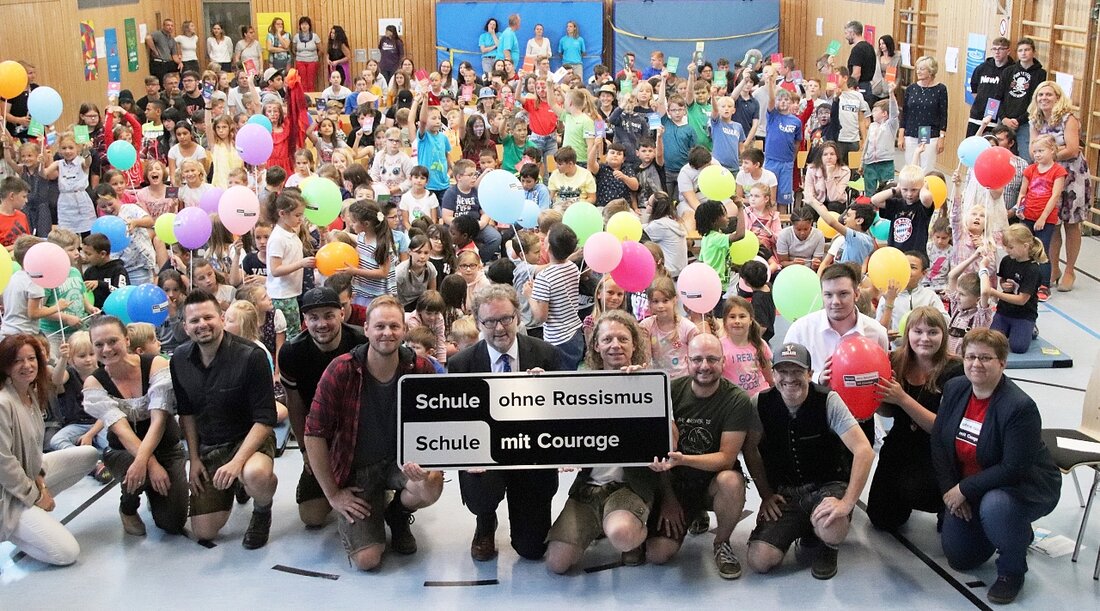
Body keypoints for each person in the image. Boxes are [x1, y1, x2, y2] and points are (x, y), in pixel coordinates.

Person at [304, 296, 444, 571]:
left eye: (394, 326)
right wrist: (333, 494)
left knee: (431, 485)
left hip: (400, 462)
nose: (387, 333)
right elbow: (313, 434)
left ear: (404, 330)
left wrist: (429, 462)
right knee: (368, 560)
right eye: (379, 326)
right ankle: (373, 512)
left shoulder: (420, 368)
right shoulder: (341, 370)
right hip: (357, 471)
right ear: (365, 328)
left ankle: (398, 514)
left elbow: (438, 421)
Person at [931, 328, 1061, 604]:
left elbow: (1014, 467)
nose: (976, 364)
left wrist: (964, 488)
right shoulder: (955, 389)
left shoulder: (1019, 407)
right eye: (971, 357)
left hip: (1021, 486)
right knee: (960, 558)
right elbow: (940, 443)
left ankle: (1012, 570)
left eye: (986, 358)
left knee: (996, 506)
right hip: (972, 488)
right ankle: (1011, 532)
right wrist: (949, 490)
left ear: (1002, 362)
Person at [446, 285, 561, 561]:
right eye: (489, 321)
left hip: (532, 457)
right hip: (486, 456)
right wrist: (466, 456)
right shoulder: (461, 363)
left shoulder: (547, 355)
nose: (499, 328)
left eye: (505, 319)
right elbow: (455, 421)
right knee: (481, 490)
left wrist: (544, 392)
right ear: (478, 323)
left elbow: (563, 414)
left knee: (532, 549)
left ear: (518, 317)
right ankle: (485, 521)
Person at [742, 342, 875, 580]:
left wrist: (847, 502)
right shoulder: (759, 403)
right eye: (783, 371)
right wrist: (765, 494)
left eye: (797, 371)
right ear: (773, 374)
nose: (789, 378)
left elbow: (864, 451)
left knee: (831, 528)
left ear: (810, 374)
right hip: (786, 492)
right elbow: (750, 449)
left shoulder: (828, 400)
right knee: (759, 560)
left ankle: (828, 545)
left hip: (827, 485)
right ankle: (804, 527)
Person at [545, 311, 657, 573]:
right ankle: (600, 522)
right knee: (556, 563)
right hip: (589, 487)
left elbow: (669, 439)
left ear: (634, 345)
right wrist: (540, 385)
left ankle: (635, 534)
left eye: (622, 339)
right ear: (596, 345)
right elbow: (557, 430)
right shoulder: (582, 385)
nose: (615, 345)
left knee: (622, 533)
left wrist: (642, 391)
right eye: (607, 339)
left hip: (629, 486)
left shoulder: (651, 383)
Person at [171, 290, 279, 548]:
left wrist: (237, 462)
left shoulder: (251, 356)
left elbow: (265, 419)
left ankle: (262, 509)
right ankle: (236, 485)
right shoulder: (178, 360)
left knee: (255, 474)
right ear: (185, 327)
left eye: (208, 317)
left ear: (221, 318)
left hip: (249, 440)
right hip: (210, 445)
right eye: (194, 321)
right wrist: (194, 459)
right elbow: (186, 413)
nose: (202, 325)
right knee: (204, 532)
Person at [646, 334, 756, 579]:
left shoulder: (737, 400)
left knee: (731, 480)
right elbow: (659, 456)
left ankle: (722, 543)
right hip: (677, 483)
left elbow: (727, 458)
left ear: (723, 361)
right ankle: (692, 513)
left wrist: (683, 459)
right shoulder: (670, 392)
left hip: (713, 482)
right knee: (657, 554)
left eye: (711, 359)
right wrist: (668, 499)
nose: (704, 366)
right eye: (697, 359)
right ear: (687, 361)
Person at [82, 317, 188, 537]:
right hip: (123, 452)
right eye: (99, 344)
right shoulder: (95, 382)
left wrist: (150, 462)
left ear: (127, 340)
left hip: (167, 447)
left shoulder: (156, 364)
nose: (107, 349)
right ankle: (128, 507)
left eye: (113, 341)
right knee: (137, 469)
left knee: (173, 523)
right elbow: (122, 430)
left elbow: (159, 420)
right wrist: (148, 464)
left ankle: (154, 492)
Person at [1, 334, 98, 566]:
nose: (27, 365)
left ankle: (31, 518)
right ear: (5, 366)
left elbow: (32, 450)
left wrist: (40, 483)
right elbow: (4, 464)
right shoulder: (4, 402)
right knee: (67, 553)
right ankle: (15, 528)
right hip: (6, 496)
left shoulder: (30, 392)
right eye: (17, 361)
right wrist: (36, 496)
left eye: (31, 358)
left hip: (29, 475)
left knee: (89, 455)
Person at [866, 307, 964, 531]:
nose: (924, 338)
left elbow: (942, 429)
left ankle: (946, 507)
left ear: (944, 335)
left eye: (932, 332)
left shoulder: (955, 371)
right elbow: (889, 412)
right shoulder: (896, 360)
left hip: (935, 450)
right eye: (918, 331)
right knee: (881, 519)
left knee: (917, 489)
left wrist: (902, 398)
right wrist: (875, 400)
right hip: (900, 443)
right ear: (907, 332)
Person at [278, 287, 366, 527]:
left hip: (358, 434)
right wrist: (307, 452)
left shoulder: (363, 342)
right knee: (312, 517)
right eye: (313, 317)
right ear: (304, 320)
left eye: (328, 315)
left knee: (371, 501)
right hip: (319, 437)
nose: (321, 323)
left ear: (341, 313)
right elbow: (294, 405)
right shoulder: (291, 353)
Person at [784, 263, 888, 439]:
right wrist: (816, 379)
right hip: (814, 416)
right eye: (828, 295)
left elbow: (880, 377)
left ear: (856, 294)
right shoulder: (800, 330)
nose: (835, 302)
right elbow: (783, 377)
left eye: (843, 294)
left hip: (860, 421)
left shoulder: (876, 333)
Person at [1029, 80, 1090, 293]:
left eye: (1049, 94)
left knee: (1071, 223)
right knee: (1053, 223)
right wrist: (1047, 153)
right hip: (1047, 176)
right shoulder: (1035, 120)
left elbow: (1073, 149)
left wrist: (1048, 154)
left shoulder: (1068, 119)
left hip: (1071, 175)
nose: (1044, 98)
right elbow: (1032, 150)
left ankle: (1070, 270)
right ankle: (1053, 267)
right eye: (1040, 95)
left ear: (1057, 97)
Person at [996, 38, 1046, 163]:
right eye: (1020, 50)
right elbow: (997, 97)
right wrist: (1004, 118)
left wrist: (1019, 120)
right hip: (1005, 120)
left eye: (1027, 50)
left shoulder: (1040, 74)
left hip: (1025, 122)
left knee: (1026, 157)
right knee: (999, 155)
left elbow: (1036, 102)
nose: (1023, 53)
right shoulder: (1008, 71)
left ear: (1033, 52)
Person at [898, 56, 948, 172]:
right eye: (917, 69)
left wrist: (942, 138)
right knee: (911, 167)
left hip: (929, 133)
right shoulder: (911, 88)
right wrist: (901, 135)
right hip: (911, 132)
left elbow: (943, 115)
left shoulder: (940, 89)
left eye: (922, 69)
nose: (918, 71)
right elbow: (905, 113)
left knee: (926, 169)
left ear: (931, 71)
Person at [968, 38, 1013, 137]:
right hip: (977, 115)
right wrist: (982, 102)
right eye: (994, 49)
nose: (997, 52)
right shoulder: (981, 68)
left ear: (1008, 51)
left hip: (997, 118)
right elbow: (974, 89)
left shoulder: (1011, 70)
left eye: (1001, 49)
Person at [844, 21, 877, 105]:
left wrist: (849, 88)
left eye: (846, 33)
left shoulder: (857, 49)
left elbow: (856, 74)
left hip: (860, 87)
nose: (846, 37)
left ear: (852, 33)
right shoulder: (870, 47)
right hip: (868, 87)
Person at [146, 19, 181, 84]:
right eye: (168, 25)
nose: (170, 27)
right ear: (164, 26)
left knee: (182, 68)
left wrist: (180, 63)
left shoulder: (172, 39)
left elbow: (174, 55)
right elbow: (148, 38)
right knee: (162, 82)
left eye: (171, 26)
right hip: (158, 63)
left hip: (167, 63)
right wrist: (155, 51)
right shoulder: (158, 34)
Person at [293, 17, 322, 92]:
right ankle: (303, 99)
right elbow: (293, 49)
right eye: (302, 24)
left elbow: (321, 50)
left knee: (310, 82)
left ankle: (311, 100)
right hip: (300, 61)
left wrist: (314, 57)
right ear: (300, 26)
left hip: (312, 61)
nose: (304, 26)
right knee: (302, 82)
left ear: (309, 26)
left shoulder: (315, 36)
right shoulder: (296, 37)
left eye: (306, 24)